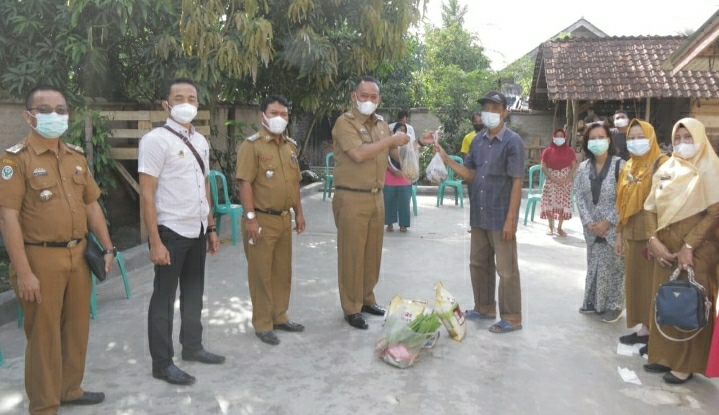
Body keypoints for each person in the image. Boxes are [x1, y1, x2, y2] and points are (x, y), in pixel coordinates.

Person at [0, 85, 115, 414]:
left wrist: (108, 248)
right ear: (28, 116)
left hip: (78, 256)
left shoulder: (76, 156)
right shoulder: (15, 160)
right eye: (45, 109)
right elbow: (8, 220)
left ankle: (69, 389)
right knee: (44, 335)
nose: (54, 116)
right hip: (40, 258)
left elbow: (91, 204)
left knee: (77, 327)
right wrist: (23, 273)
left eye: (61, 109)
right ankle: (44, 404)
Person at [139, 78, 224, 387]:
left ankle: (193, 346)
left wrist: (211, 226)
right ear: (167, 104)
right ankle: (162, 363)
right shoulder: (155, 141)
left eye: (191, 97)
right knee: (164, 298)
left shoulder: (200, 141)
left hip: (197, 228)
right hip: (170, 231)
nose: (186, 102)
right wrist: (155, 241)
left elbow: (204, 187)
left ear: (197, 104)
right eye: (179, 97)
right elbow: (147, 194)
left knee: (193, 293)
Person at [331, 76, 434, 330]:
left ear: (380, 99)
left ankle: (366, 299)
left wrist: (419, 143)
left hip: (376, 195)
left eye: (373, 97)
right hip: (352, 195)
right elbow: (358, 154)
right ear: (354, 97)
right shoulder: (345, 123)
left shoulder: (381, 125)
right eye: (363, 96)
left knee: (371, 253)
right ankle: (351, 307)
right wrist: (390, 140)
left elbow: (397, 154)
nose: (368, 101)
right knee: (352, 254)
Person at [434, 90, 526, 334]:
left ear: (505, 112)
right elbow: (471, 174)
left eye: (496, 109)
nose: (490, 113)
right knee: (478, 263)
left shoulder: (513, 142)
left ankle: (512, 317)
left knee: (506, 270)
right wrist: (446, 159)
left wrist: (511, 220)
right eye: (487, 109)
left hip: (501, 215)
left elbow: (517, 181)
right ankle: (484, 307)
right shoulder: (477, 141)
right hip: (480, 214)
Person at [642, 118, 719, 384]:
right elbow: (650, 206)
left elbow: (715, 213)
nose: (682, 143)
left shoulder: (711, 168)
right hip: (664, 248)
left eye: (688, 138)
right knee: (665, 300)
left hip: (697, 248)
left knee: (690, 303)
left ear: (700, 139)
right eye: (678, 138)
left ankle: (686, 364)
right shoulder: (667, 166)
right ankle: (664, 356)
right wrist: (652, 239)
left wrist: (689, 246)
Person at [235, 95, 306, 346]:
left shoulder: (290, 146)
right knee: (261, 273)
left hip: (284, 219)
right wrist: (250, 218)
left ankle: (280, 315)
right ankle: (263, 323)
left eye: (284, 114)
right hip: (262, 219)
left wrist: (299, 212)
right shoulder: (252, 146)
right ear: (262, 115)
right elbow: (245, 183)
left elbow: (295, 182)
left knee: (282, 272)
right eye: (274, 113)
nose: (279, 118)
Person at [614, 119, 668, 348]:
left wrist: (657, 237)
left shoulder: (662, 164)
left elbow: (665, 203)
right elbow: (622, 203)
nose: (636, 142)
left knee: (652, 285)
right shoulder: (629, 166)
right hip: (631, 233)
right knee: (635, 283)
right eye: (631, 138)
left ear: (651, 137)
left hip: (653, 235)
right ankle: (643, 329)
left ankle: (656, 333)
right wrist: (619, 234)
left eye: (640, 136)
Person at [573, 122, 625, 323]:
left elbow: (625, 198)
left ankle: (614, 306)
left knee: (615, 267)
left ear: (609, 139)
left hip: (613, 228)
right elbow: (578, 195)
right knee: (595, 265)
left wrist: (608, 221)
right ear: (586, 142)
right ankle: (594, 302)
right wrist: (588, 222)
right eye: (592, 138)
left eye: (601, 137)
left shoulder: (620, 165)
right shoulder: (584, 167)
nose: (597, 142)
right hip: (592, 229)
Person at [539, 128, 576, 237]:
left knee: (562, 204)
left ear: (565, 138)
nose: (559, 138)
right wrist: (551, 177)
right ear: (553, 138)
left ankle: (559, 228)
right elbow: (543, 165)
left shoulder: (570, 151)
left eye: (561, 136)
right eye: (557, 136)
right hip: (551, 182)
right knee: (549, 203)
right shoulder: (548, 151)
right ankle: (550, 227)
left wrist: (567, 178)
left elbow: (574, 166)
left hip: (564, 182)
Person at [384, 122, 413, 233]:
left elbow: (411, 161)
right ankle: (389, 224)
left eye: (403, 130)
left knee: (404, 202)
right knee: (388, 201)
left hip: (404, 178)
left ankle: (403, 225)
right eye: (399, 130)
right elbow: (383, 159)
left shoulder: (409, 145)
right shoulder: (388, 144)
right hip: (389, 176)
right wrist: (393, 170)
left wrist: (403, 170)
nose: (401, 132)